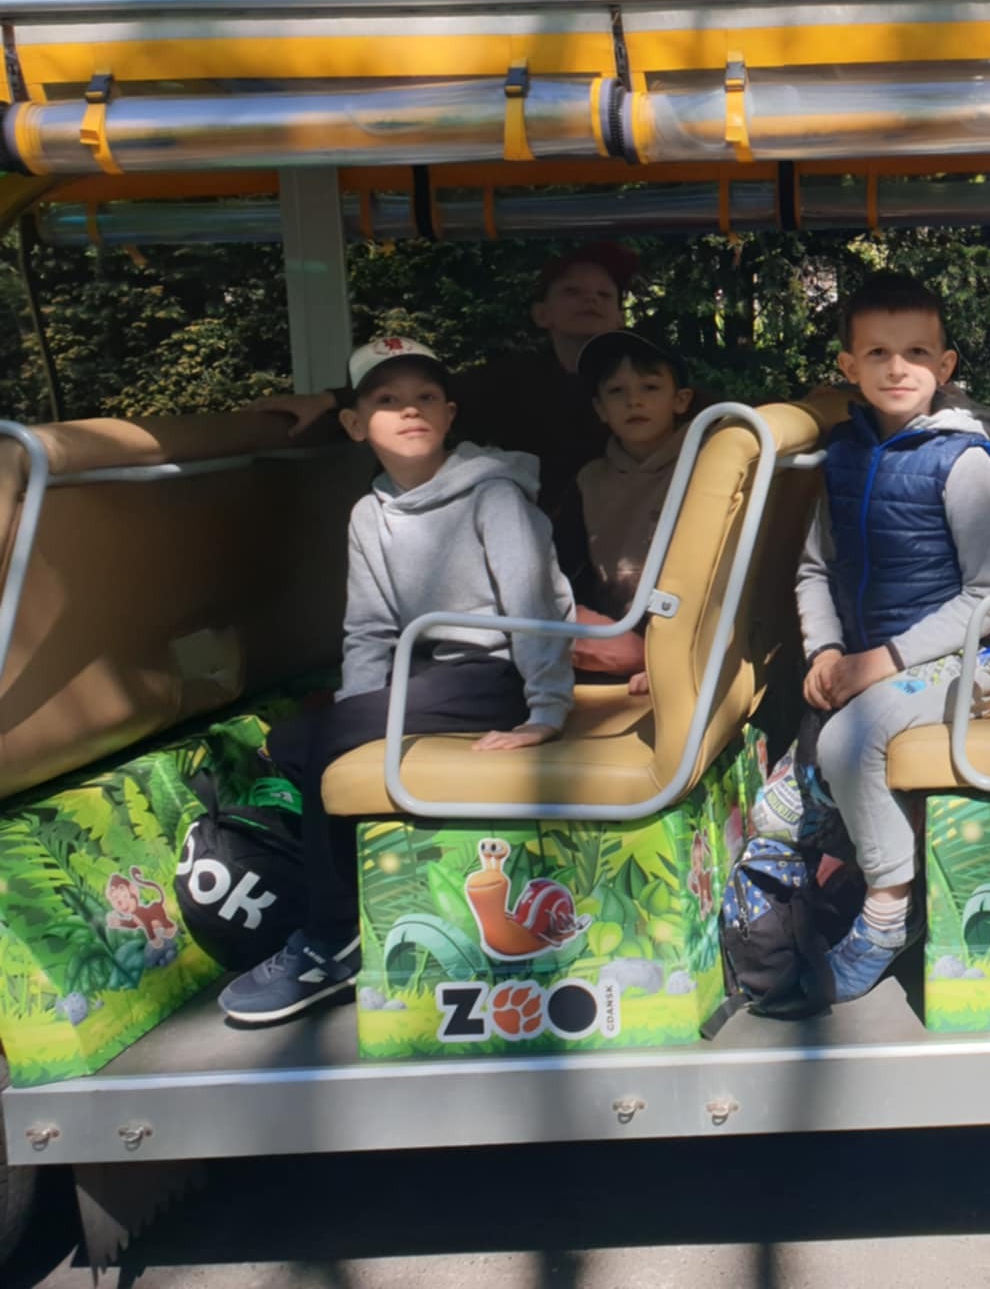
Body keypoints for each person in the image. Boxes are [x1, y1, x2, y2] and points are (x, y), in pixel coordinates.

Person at [218, 335, 575, 1025]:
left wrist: (546, 711)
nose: (409, 410)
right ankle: (341, 897)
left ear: (449, 414)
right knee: (294, 742)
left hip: (498, 675)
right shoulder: (370, 513)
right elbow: (370, 629)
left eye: (425, 397)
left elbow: (533, 606)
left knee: (321, 741)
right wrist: (360, 716)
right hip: (432, 674)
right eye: (387, 400)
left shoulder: (494, 495)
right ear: (356, 425)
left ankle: (332, 940)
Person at [794, 274, 990, 1004]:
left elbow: (989, 600)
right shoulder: (843, 455)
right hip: (862, 659)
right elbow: (815, 567)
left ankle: (887, 915)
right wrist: (826, 651)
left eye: (917, 352)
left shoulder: (964, 462)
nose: (898, 368)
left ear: (944, 366)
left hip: (962, 661)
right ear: (848, 366)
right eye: (878, 353)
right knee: (789, 788)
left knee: (846, 743)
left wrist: (877, 663)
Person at [245, 243, 642, 581]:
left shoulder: (649, 377)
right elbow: (418, 396)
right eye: (572, 291)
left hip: (627, 536)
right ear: (542, 314)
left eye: (604, 295)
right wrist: (329, 399)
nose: (590, 299)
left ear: (620, 316)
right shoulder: (510, 379)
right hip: (534, 543)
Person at [570, 330, 698, 693]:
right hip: (614, 638)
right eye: (616, 391)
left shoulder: (707, 465)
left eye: (650, 387)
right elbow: (567, 568)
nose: (634, 401)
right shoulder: (589, 480)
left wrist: (668, 655)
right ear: (600, 409)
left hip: (689, 638)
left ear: (680, 400)